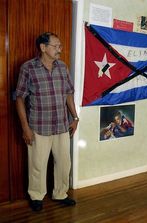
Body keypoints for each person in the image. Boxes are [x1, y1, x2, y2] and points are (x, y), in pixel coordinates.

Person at [16, 32, 78, 211]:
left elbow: (68, 93)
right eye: (56, 46)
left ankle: (61, 193)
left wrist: (75, 117)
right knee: (37, 164)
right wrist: (25, 128)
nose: (60, 49)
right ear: (43, 48)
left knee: (64, 163)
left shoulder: (63, 67)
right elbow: (19, 98)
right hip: (38, 127)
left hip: (61, 125)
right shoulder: (28, 68)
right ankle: (36, 196)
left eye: (60, 46)